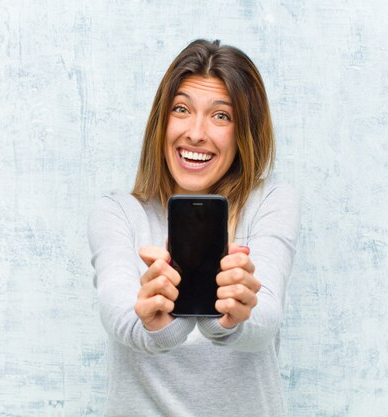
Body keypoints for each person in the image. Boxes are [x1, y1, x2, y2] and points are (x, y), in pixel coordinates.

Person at [88, 39, 300, 417]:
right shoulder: (118, 211)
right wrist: (160, 321)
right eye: (181, 109)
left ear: (244, 133)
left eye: (221, 116)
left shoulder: (270, 203)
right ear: (161, 121)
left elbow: (264, 318)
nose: (196, 133)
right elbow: (120, 315)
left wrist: (229, 317)